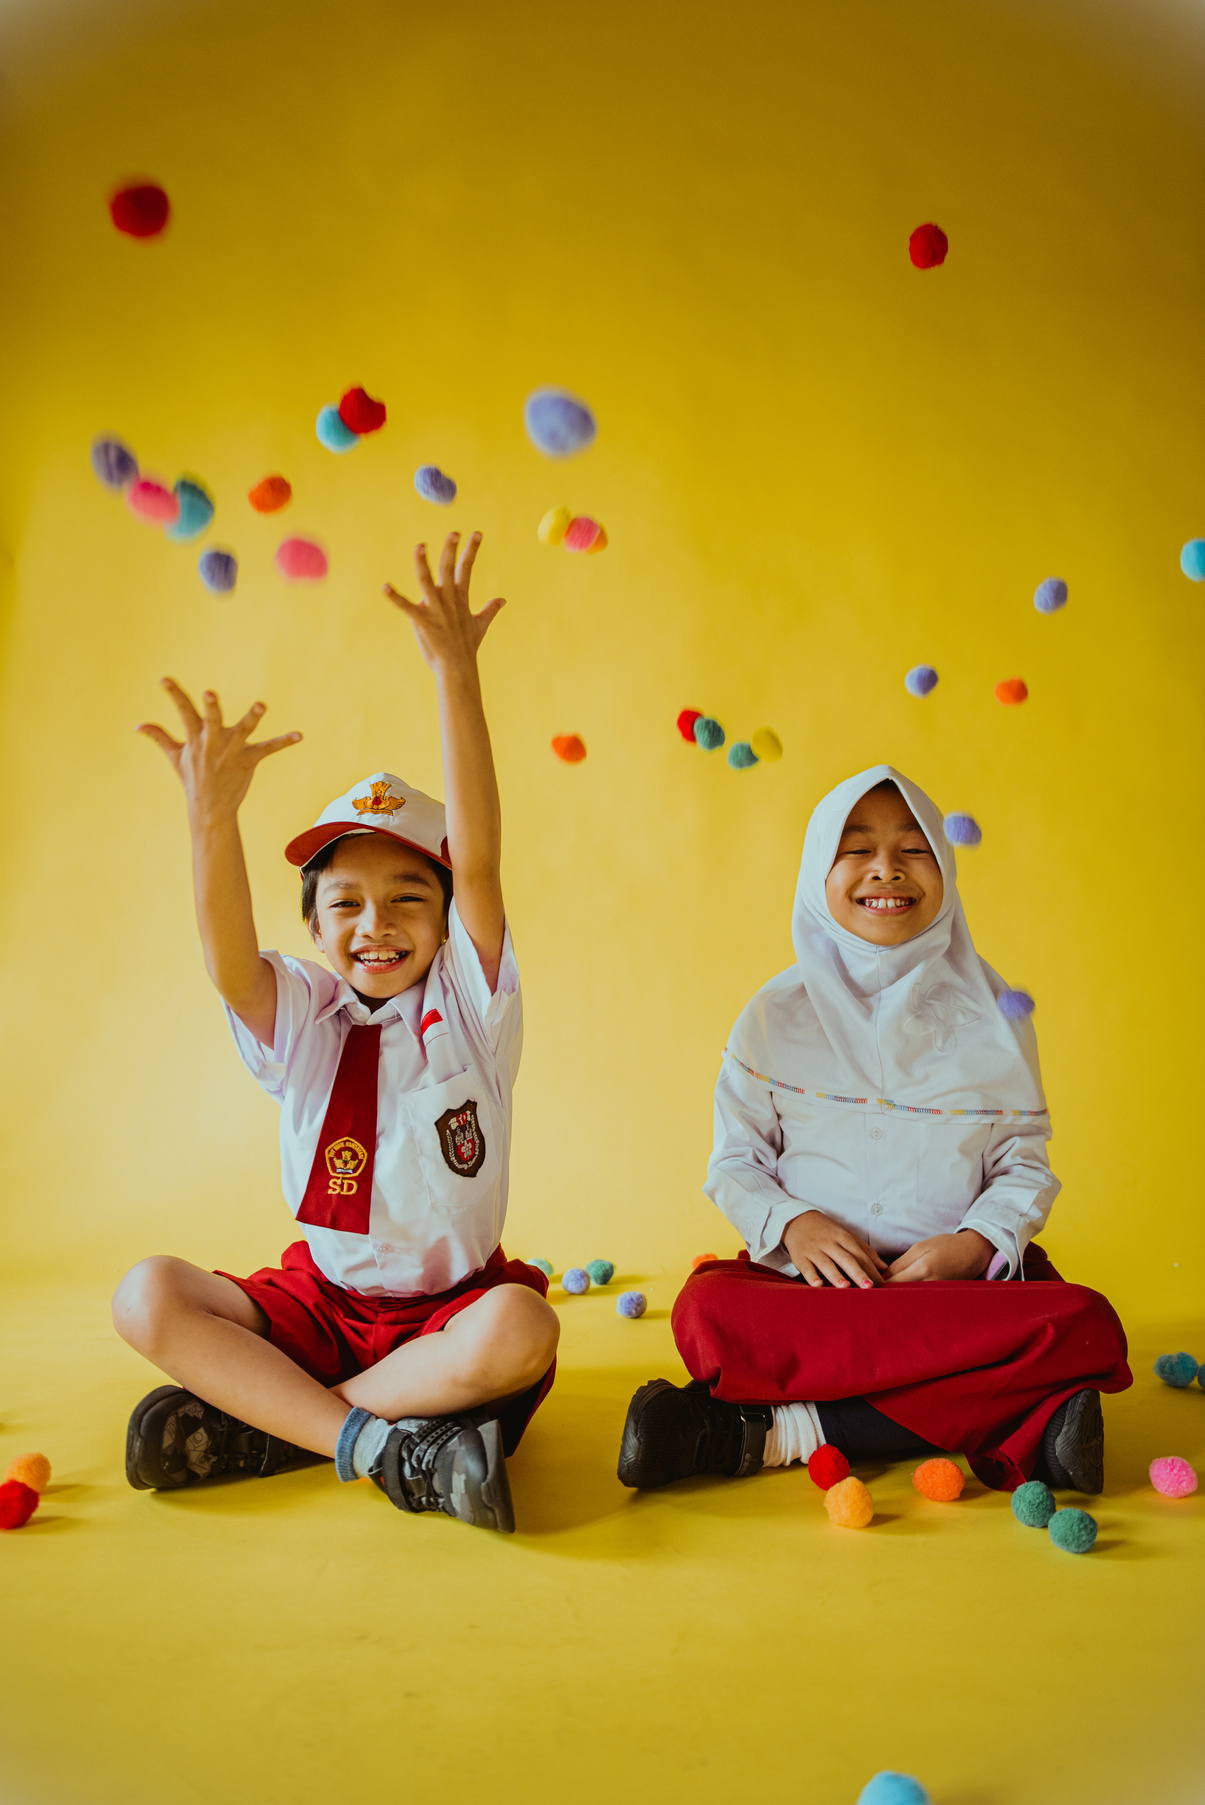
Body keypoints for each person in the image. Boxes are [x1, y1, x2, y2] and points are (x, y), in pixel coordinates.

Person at [113, 532, 559, 1534]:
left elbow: (479, 863)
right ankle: (383, 1439)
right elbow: (230, 961)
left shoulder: (472, 1009)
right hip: (321, 1302)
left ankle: (288, 1427)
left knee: (524, 1327)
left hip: (450, 1315)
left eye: (408, 896)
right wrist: (211, 820)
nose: (377, 924)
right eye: (346, 903)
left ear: (443, 922)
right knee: (146, 1295)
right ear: (312, 928)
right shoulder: (307, 1016)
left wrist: (454, 670)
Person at [617, 765, 1130, 1496]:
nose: (885, 869)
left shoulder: (995, 1014)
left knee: (1083, 1321)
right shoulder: (771, 1016)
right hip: (812, 1295)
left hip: (952, 1297)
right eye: (855, 848)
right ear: (816, 872)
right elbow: (735, 1160)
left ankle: (761, 1431)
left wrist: (972, 1245)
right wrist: (794, 1227)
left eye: (912, 848)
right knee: (708, 1309)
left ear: (944, 868)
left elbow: (1023, 1165)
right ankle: (1021, 1416)